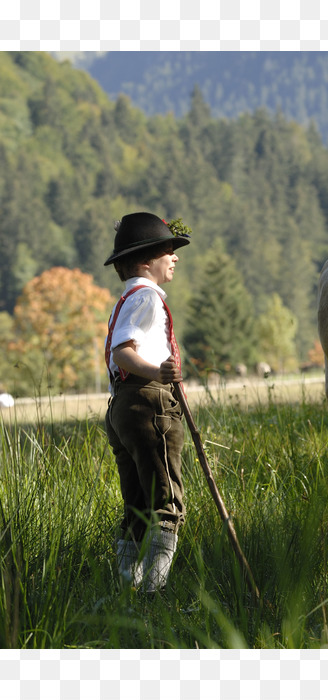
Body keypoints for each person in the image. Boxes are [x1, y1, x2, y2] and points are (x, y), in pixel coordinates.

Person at [103, 212, 191, 593]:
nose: (174, 256)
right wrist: (159, 373)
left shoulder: (125, 299)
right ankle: (154, 592)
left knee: (136, 505)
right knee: (166, 502)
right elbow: (123, 352)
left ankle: (125, 587)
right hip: (147, 402)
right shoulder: (147, 298)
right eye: (167, 250)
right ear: (145, 261)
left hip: (122, 405)